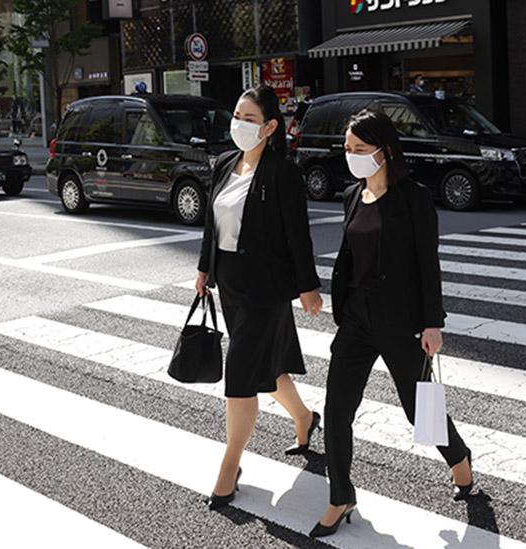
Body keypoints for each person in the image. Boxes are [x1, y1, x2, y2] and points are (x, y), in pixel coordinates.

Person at [311, 109, 473, 538]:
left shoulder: (412, 198)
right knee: (336, 410)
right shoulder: (351, 195)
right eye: (347, 149)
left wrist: (432, 323)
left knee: (417, 408)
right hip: (357, 321)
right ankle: (340, 495)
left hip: (401, 321)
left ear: (384, 151)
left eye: (360, 150)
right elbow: (349, 259)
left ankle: (459, 458)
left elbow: (427, 263)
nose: (352, 157)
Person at [195, 85, 323, 511]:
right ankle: (304, 418)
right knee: (264, 368)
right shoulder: (225, 164)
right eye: (236, 115)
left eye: (249, 119)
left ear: (270, 126)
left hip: (265, 286)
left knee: (241, 373)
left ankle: (230, 466)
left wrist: (307, 286)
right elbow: (212, 225)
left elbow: (297, 234)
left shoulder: (282, 173)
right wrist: (203, 269)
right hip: (229, 280)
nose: (239, 124)